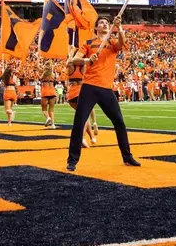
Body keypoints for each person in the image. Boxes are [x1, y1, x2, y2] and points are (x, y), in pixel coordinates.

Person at [66, 15, 139, 172]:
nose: (105, 24)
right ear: (96, 27)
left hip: (106, 88)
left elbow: (122, 43)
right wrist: (87, 60)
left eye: (107, 23)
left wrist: (119, 27)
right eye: (102, 23)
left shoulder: (111, 42)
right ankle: (72, 160)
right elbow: (75, 60)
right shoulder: (88, 43)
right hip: (89, 87)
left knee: (119, 122)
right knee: (79, 123)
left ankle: (127, 156)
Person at [65, 50, 97, 148]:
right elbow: (86, 63)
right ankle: (81, 138)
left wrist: (70, 55)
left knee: (83, 116)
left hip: (71, 95)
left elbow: (69, 63)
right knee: (85, 116)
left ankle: (91, 137)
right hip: (81, 92)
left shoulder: (70, 65)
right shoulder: (83, 66)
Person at [39, 61, 57, 129]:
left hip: (45, 91)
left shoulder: (44, 73)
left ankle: (48, 118)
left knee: (44, 109)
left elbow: (38, 68)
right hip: (52, 91)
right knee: (51, 110)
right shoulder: (53, 74)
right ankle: (53, 125)